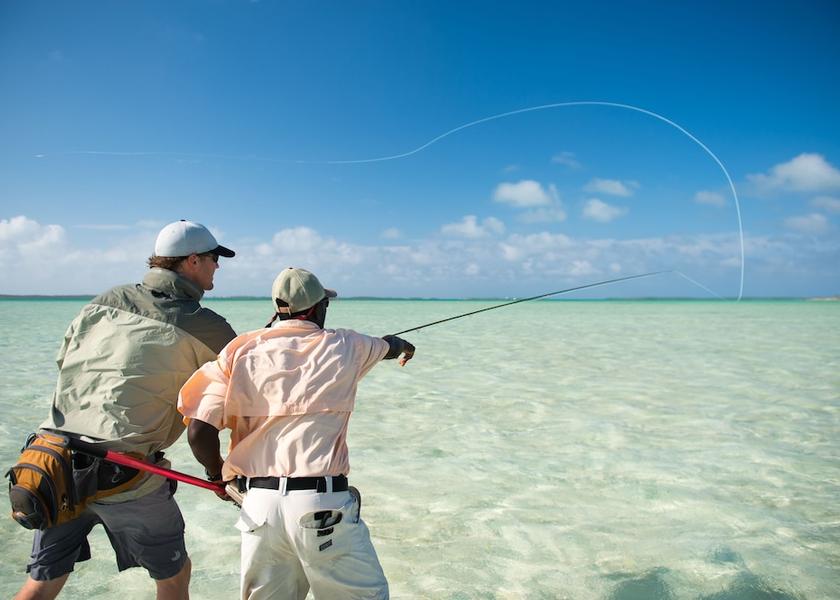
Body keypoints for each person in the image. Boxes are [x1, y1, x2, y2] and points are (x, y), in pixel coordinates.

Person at [15, 220, 238, 600]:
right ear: (193, 260)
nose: (219, 266)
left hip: (53, 462)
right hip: (128, 475)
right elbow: (248, 385)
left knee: (41, 585)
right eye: (215, 258)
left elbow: (63, 361)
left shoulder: (103, 301)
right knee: (173, 577)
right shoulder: (208, 327)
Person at [178, 267, 415, 600]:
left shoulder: (238, 351)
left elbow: (199, 431)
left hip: (257, 508)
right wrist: (404, 346)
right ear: (320, 308)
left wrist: (218, 476)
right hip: (322, 506)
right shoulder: (348, 345)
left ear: (279, 309)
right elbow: (389, 346)